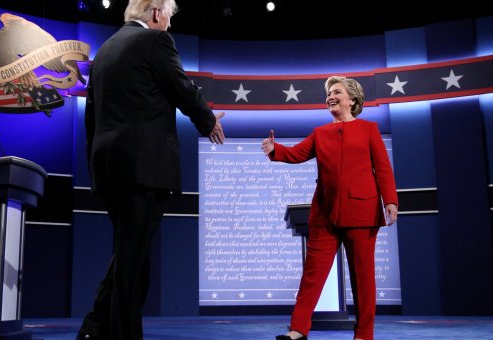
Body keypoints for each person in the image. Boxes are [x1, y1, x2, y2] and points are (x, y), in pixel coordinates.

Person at [79, 0, 225, 339]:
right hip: (143, 165)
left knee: (130, 252)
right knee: (133, 261)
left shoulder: (105, 50)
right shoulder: (154, 41)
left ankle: (93, 329)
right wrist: (207, 121)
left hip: (108, 166)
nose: (170, 25)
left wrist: (95, 166)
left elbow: (91, 118)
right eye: (170, 17)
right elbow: (181, 86)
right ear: (156, 13)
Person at [261, 76, 398, 340]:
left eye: (336, 92)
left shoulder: (369, 129)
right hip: (324, 214)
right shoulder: (320, 133)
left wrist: (390, 200)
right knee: (312, 275)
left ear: (353, 99)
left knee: (363, 278)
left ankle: (363, 334)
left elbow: (382, 167)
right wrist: (274, 149)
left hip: (361, 212)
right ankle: (298, 329)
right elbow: (297, 154)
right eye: (328, 94)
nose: (330, 97)